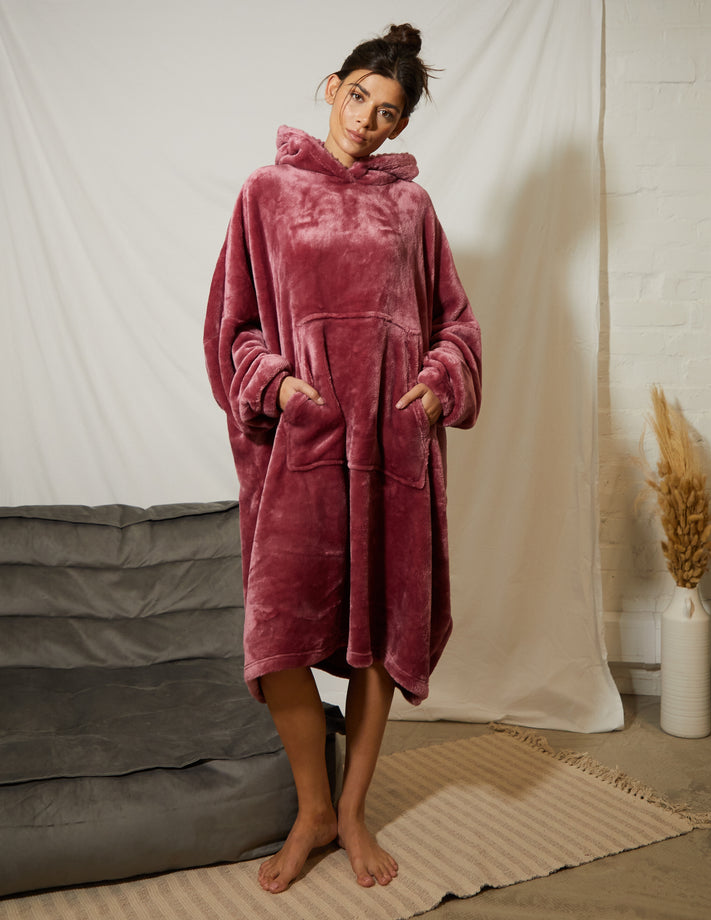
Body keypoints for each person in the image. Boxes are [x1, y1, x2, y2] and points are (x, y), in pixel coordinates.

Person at [204, 23, 482, 894]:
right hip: (306, 447)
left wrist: (437, 385)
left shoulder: (413, 209)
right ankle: (313, 809)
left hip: (393, 450)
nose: (366, 119)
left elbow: (457, 325)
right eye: (359, 95)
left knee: (379, 638)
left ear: (402, 125)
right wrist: (279, 386)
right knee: (279, 637)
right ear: (333, 86)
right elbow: (234, 325)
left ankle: (352, 812)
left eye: (387, 111)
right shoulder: (266, 192)